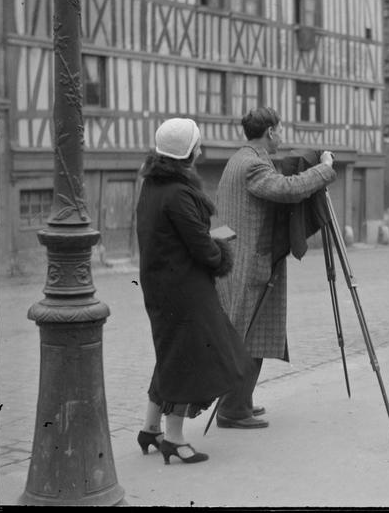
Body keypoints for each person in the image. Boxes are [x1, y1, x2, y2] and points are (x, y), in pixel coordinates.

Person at [214, 107, 336, 429]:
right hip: (250, 262)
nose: (280, 137)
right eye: (279, 131)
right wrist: (324, 170)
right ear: (270, 131)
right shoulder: (253, 164)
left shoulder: (239, 158)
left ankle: (241, 402)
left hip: (240, 256)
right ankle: (233, 409)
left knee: (251, 333)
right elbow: (287, 189)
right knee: (248, 333)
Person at [136, 118, 249, 464]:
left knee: (171, 354)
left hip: (163, 285)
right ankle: (173, 437)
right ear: (186, 153)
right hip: (184, 289)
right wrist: (221, 254)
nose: (201, 149)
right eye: (197, 144)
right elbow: (200, 246)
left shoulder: (154, 187)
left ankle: (150, 428)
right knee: (190, 358)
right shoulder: (179, 193)